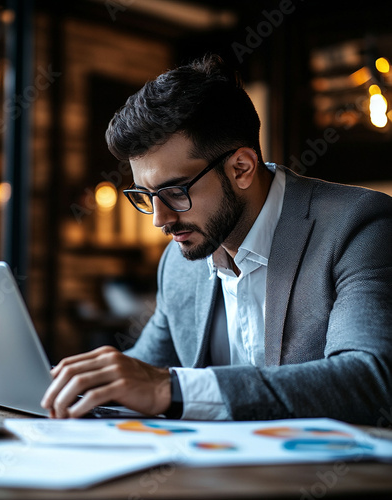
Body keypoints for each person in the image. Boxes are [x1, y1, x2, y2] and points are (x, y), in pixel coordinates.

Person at [41, 54, 392, 425]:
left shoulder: (360, 225)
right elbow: (140, 374)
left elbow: (370, 380)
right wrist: (71, 386)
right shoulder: (179, 263)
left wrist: (169, 389)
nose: (160, 220)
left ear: (241, 168)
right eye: (146, 196)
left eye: (175, 191)